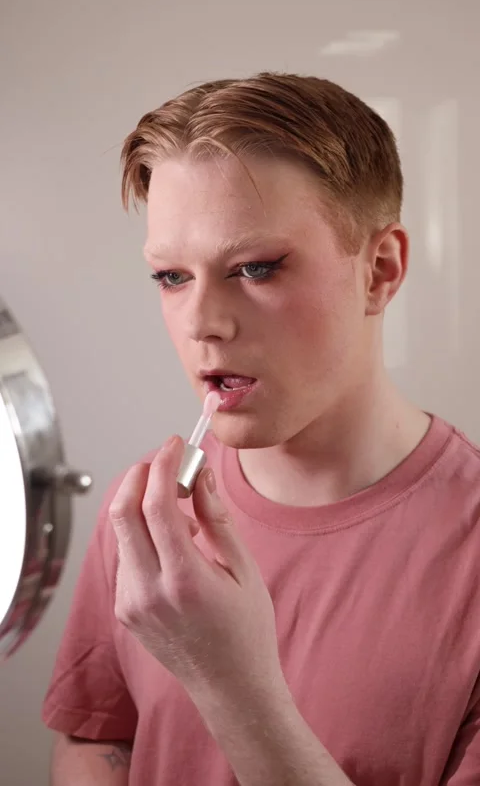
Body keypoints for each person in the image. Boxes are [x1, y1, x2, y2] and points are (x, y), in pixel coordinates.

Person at [42, 72, 480, 786]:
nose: (202, 323)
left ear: (380, 270)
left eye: (254, 268)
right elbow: (96, 738)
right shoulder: (144, 518)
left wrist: (230, 682)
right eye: (171, 277)